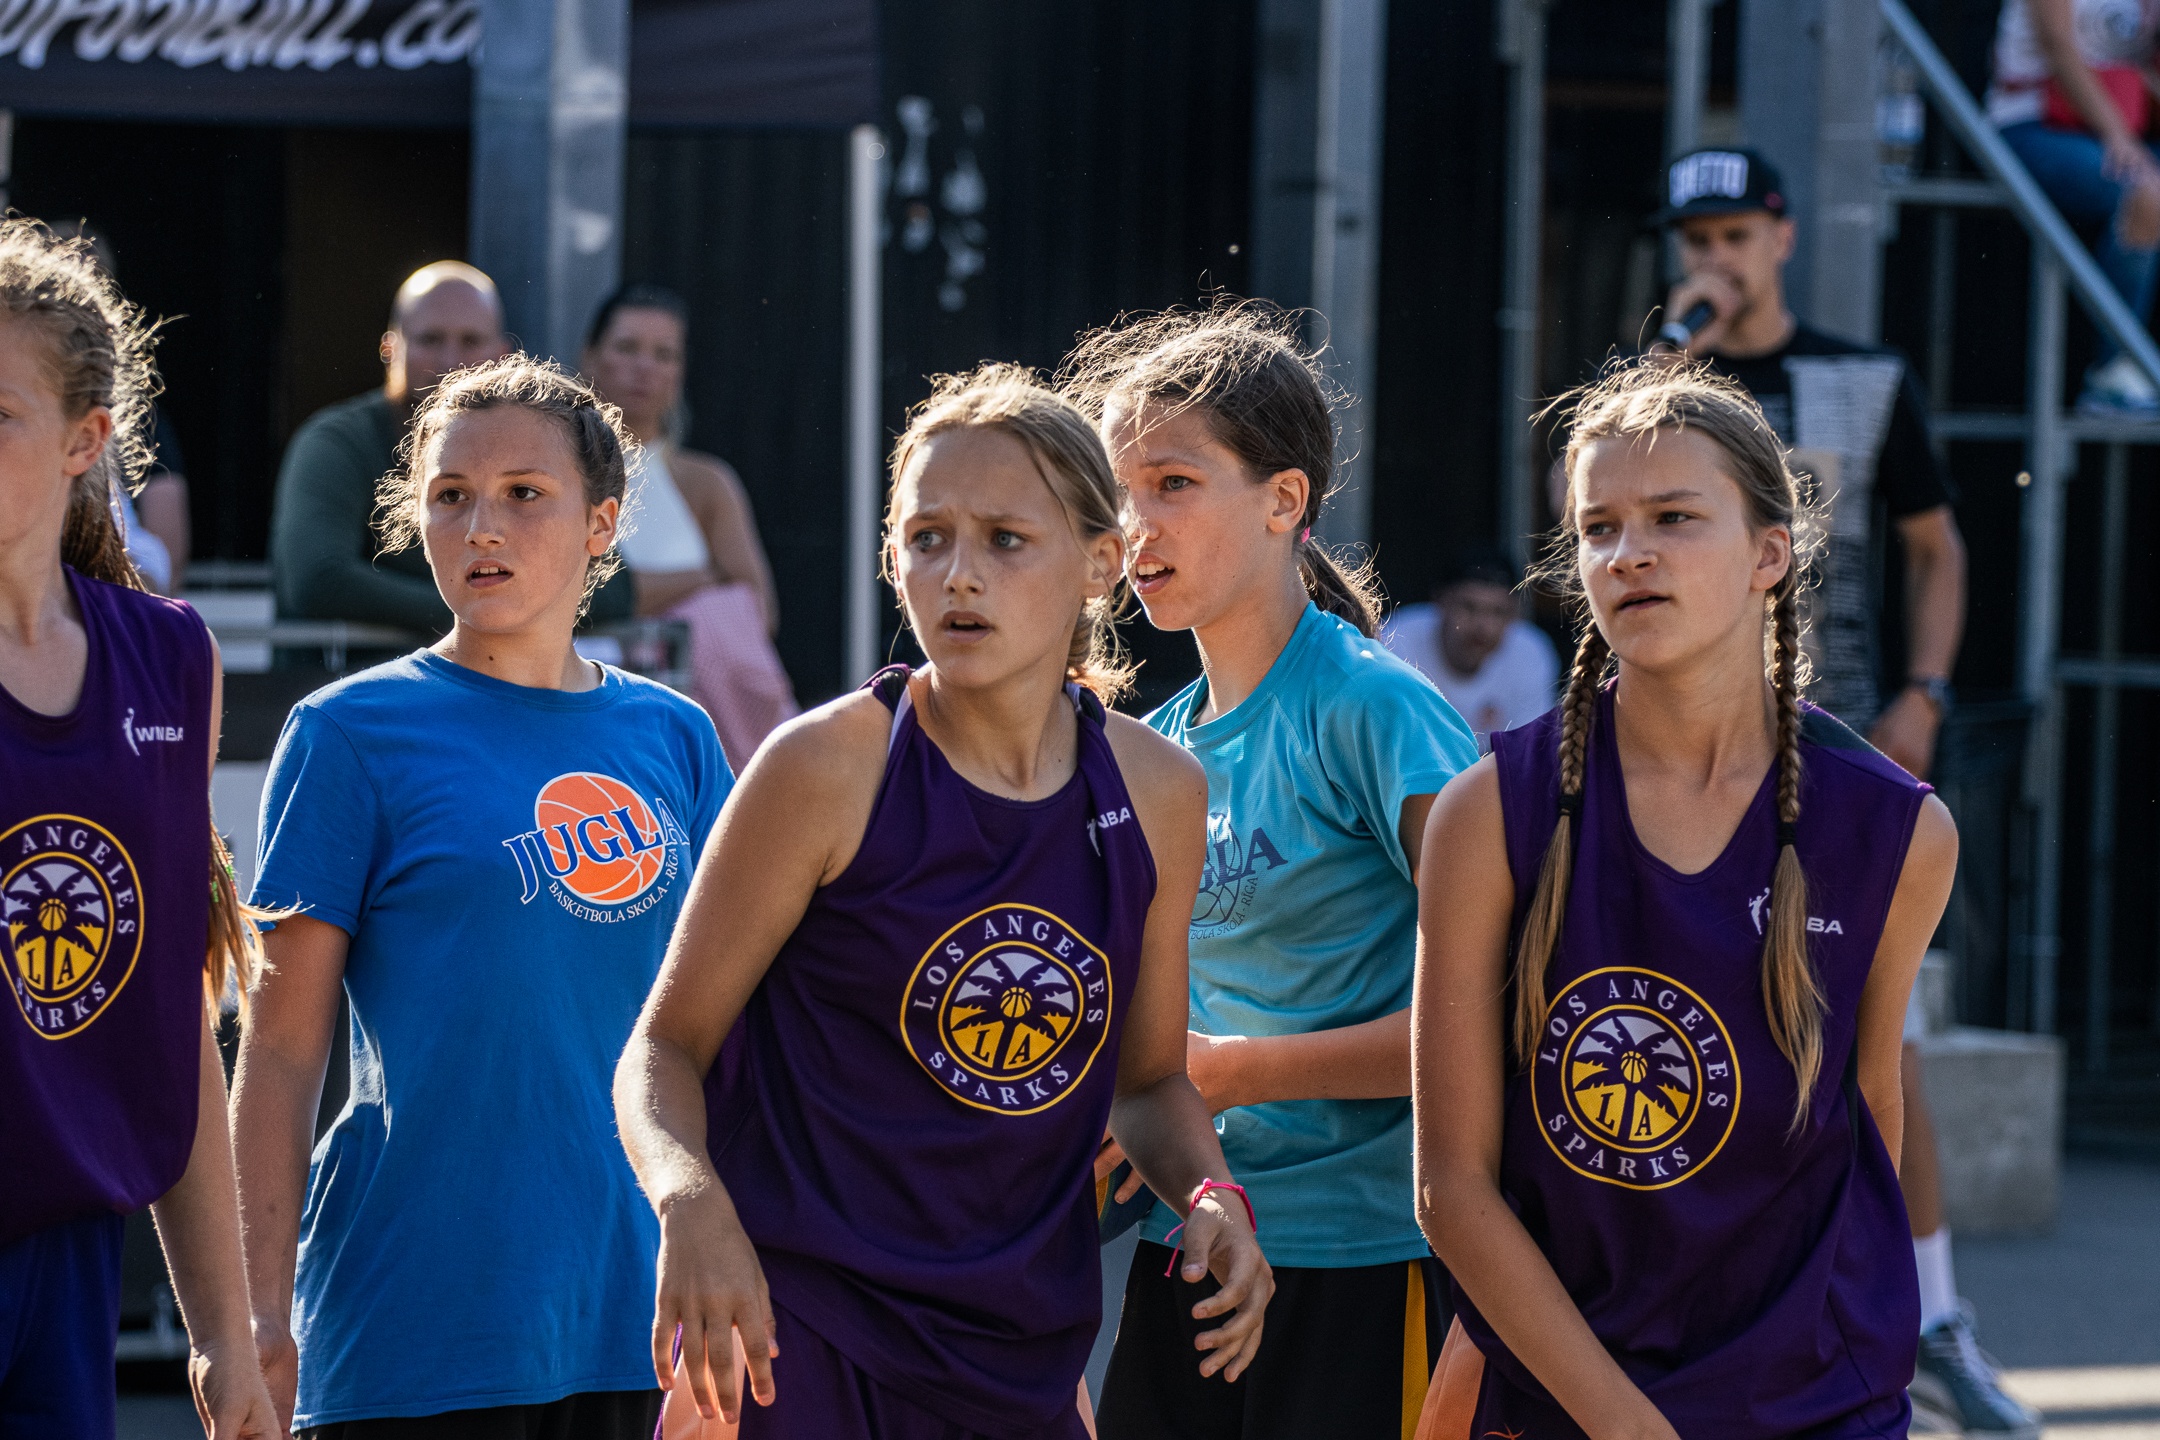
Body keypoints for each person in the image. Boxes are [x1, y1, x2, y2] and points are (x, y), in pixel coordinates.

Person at [614, 364, 1271, 1439]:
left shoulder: (1158, 792)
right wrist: (692, 1205)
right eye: (927, 539)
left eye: (1006, 540)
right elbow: (661, 1051)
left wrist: (1212, 1196)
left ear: (1101, 562)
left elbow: (1148, 1082)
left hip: (1022, 1352)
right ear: (893, 558)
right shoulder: (827, 767)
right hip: (798, 1339)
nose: (958, 576)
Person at [1412, 357, 1957, 1438]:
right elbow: (1452, 1189)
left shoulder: (1896, 832)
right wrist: (1623, 1424)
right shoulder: (1491, 813)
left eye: (1673, 517)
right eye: (1599, 528)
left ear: (1769, 554)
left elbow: (1868, 1118)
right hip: (1573, 1397)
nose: (1630, 553)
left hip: (1815, 1399)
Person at [230, 357, 732, 1438]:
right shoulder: (347, 733)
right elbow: (279, 1050)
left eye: (524, 494)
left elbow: (735, 1037)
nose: (482, 527)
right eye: (451, 495)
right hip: (416, 1324)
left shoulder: (677, 736)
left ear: (603, 524)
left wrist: (737, 1283)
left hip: (640, 1317)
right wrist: (254, 1316)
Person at [1652, 147, 2035, 1438]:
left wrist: (1926, 689)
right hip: (1685, 753)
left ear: (1782, 236)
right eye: (1695, 238)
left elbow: (1938, 544)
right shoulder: (1659, 385)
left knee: (1883, 1036)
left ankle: (1929, 1315)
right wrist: (1665, 364)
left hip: (1837, 742)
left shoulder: (1864, 379)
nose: (1714, 257)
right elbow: (1578, 514)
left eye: (1734, 234)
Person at [1058, 303, 1479, 1439]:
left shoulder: (1374, 709)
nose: (1135, 524)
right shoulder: (1155, 747)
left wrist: (1237, 1071)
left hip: (1367, 1253)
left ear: (1284, 500)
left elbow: (1498, 1008)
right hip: (1192, 1243)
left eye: (1174, 483)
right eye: (1119, 490)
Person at [0, 218, 279, 1437]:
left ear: (86, 441)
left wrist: (222, 1334)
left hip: (70, 1264)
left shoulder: (166, 659)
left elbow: (172, 1011)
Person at [270, 261, 635, 639]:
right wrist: (483, 611)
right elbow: (317, 578)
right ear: (390, 348)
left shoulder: (538, 440)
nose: (450, 362)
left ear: (502, 354)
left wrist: (492, 607)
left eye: (522, 491)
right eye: (430, 340)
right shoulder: (337, 442)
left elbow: (613, 587)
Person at [581, 284, 797, 769]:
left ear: (680, 371)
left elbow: (757, 609)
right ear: (590, 356)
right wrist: (700, 580)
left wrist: (657, 598)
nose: (644, 367)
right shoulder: (560, 476)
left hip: (697, 713)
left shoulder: (706, 483)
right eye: (627, 348)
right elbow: (579, 596)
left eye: (664, 355)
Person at [1989, 0, 2160, 414]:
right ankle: (2113, 372)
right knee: (2144, 192)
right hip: (2032, 122)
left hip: (2117, 127)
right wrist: (2118, 136)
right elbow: (2058, 46)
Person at [1379, 544, 1560, 741]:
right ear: (1440, 601)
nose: (1482, 626)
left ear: (1514, 615)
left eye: (1498, 612)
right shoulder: (1395, 639)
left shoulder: (1530, 653)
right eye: (1468, 607)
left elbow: (1526, 749)